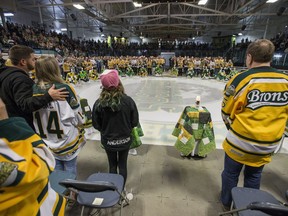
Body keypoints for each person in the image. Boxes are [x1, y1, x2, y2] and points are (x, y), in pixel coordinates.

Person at [220, 39, 288, 210]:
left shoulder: (242, 78)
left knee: (230, 174)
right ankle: (249, 207)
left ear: (249, 57)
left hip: (240, 142)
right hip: (267, 145)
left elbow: (226, 112)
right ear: (271, 57)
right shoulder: (286, 80)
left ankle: (227, 203)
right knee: (254, 174)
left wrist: (234, 128)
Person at [0, 98, 66, 215]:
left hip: (50, 139)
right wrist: (4, 122)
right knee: (67, 167)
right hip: (34, 207)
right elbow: (42, 162)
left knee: (61, 170)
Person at [32, 56, 86, 177]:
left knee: (56, 171)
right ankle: (71, 194)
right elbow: (77, 115)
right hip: (65, 138)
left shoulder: (31, 90)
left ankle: (60, 195)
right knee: (70, 170)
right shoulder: (64, 88)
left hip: (46, 138)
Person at [0, 45, 68, 131]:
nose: (35, 62)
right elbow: (25, 105)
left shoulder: (5, 74)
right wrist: (48, 96)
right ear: (23, 62)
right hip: (22, 128)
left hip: (10, 124)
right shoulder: (20, 79)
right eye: (33, 59)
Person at [92, 69, 139, 185]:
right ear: (118, 82)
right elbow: (134, 122)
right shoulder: (128, 101)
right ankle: (121, 191)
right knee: (122, 165)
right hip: (125, 140)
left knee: (112, 165)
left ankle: (113, 191)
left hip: (108, 140)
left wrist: (105, 130)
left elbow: (96, 124)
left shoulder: (99, 103)